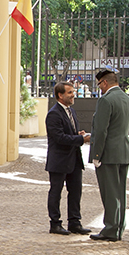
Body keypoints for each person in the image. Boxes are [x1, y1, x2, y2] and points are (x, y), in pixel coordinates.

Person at [89, 68, 129, 241]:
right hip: (123, 151)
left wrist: (96, 155)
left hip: (108, 154)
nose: (99, 87)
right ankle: (119, 226)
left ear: (105, 82)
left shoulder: (106, 100)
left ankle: (110, 229)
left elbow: (101, 131)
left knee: (109, 193)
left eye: (99, 84)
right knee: (120, 192)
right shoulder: (126, 98)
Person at [46, 81, 91, 235]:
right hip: (59, 160)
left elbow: (68, 134)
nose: (73, 95)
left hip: (74, 159)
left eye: (73, 92)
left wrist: (77, 135)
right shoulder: (53, 114)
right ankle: (55, 224)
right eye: (70, 92)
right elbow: (59, 138)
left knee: (76, 191)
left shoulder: (71, 111)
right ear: (60, 95)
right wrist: (81, 140)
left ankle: (74, 222)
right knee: (56, 192)